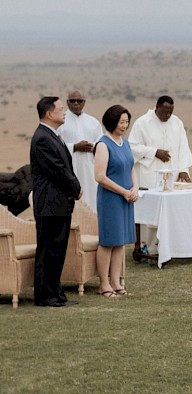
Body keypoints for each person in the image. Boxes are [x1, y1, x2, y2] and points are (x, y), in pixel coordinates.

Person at [30, 96, 82, 307]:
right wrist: (76, 188)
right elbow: (57, 170)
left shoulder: (53, 135)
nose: (65, 111)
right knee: (49, 250)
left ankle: (56, 293)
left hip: (59, 203)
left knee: (57, 250)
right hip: (50, 204)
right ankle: (45, 296)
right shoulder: (43, 138)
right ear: (49, 113)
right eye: (61, 109)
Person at [128, 95, 192, 256]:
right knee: (152, 215)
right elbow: (132, 147)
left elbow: (183, 148)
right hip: (149, 176)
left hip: (171, 176)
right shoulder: (142, 123)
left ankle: (172, 248)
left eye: (171, 112)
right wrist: (154, 152)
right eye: (165, 111)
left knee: (172, 212)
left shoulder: (177, 123)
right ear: (156, 107)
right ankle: (148, 249)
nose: (168, 115)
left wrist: (184, 169)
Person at [93, 105, 137, 298]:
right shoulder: (103, 144)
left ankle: (116, 282)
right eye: (121, 122)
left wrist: (135, 188)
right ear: (112, 122)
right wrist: (123, 192)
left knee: (120, 242)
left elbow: (131, 168)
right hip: (111, 198)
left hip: (126, 197)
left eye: (127, 122)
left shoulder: (125, 143)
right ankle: (104, 284)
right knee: (108, 241)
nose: (125, 125)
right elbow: (100, 177)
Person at [57, 90, 102, 209]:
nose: (76, 103)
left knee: (92, 202)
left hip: (90, 170)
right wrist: (75, 147)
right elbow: (54, 146)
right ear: (67, 102)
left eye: (79, 101)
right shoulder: (60, 122)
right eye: (72, 101)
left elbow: (101, 144)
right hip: (70, 170)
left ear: (84, 103)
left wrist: (92, 146)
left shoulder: (93, 122)